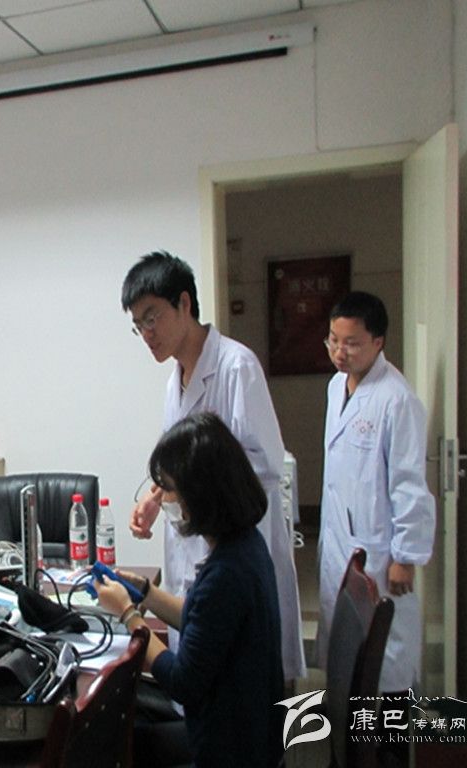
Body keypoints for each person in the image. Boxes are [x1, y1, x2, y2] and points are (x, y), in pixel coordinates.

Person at [121, 251, 305, 681]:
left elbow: (265, 466)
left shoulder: (236, 367)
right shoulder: (176, 379)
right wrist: (156, 499)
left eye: (152, 318)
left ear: (184, 303)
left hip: (233, 550)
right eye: (138, 325)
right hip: (197, 544)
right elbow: (178, 462)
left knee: (234, 678)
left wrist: (186, 491)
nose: (147, 334)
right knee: (202, 667)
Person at [94, 413, 284, 767]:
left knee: (106, 741)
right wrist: (145, 592)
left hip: (229, 752)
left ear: (200, 494)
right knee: (124, 733)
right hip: (245, 735)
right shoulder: (244, 545)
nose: (163, 499)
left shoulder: (227, 573)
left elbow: (181, 681)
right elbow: (205, 622)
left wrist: (129, 615)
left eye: (168, 488)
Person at [319, 291, 435, 693]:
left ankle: (390, 728)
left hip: (380, 549)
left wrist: (405, 556)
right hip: (341, 538)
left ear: (378, 342)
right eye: (334, 340)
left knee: (385, 656)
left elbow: (408, 483)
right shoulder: (336, 386)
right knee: (346, 653)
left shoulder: (397, 399)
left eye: (351, 343)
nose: (340, 352)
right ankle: (347, 727)